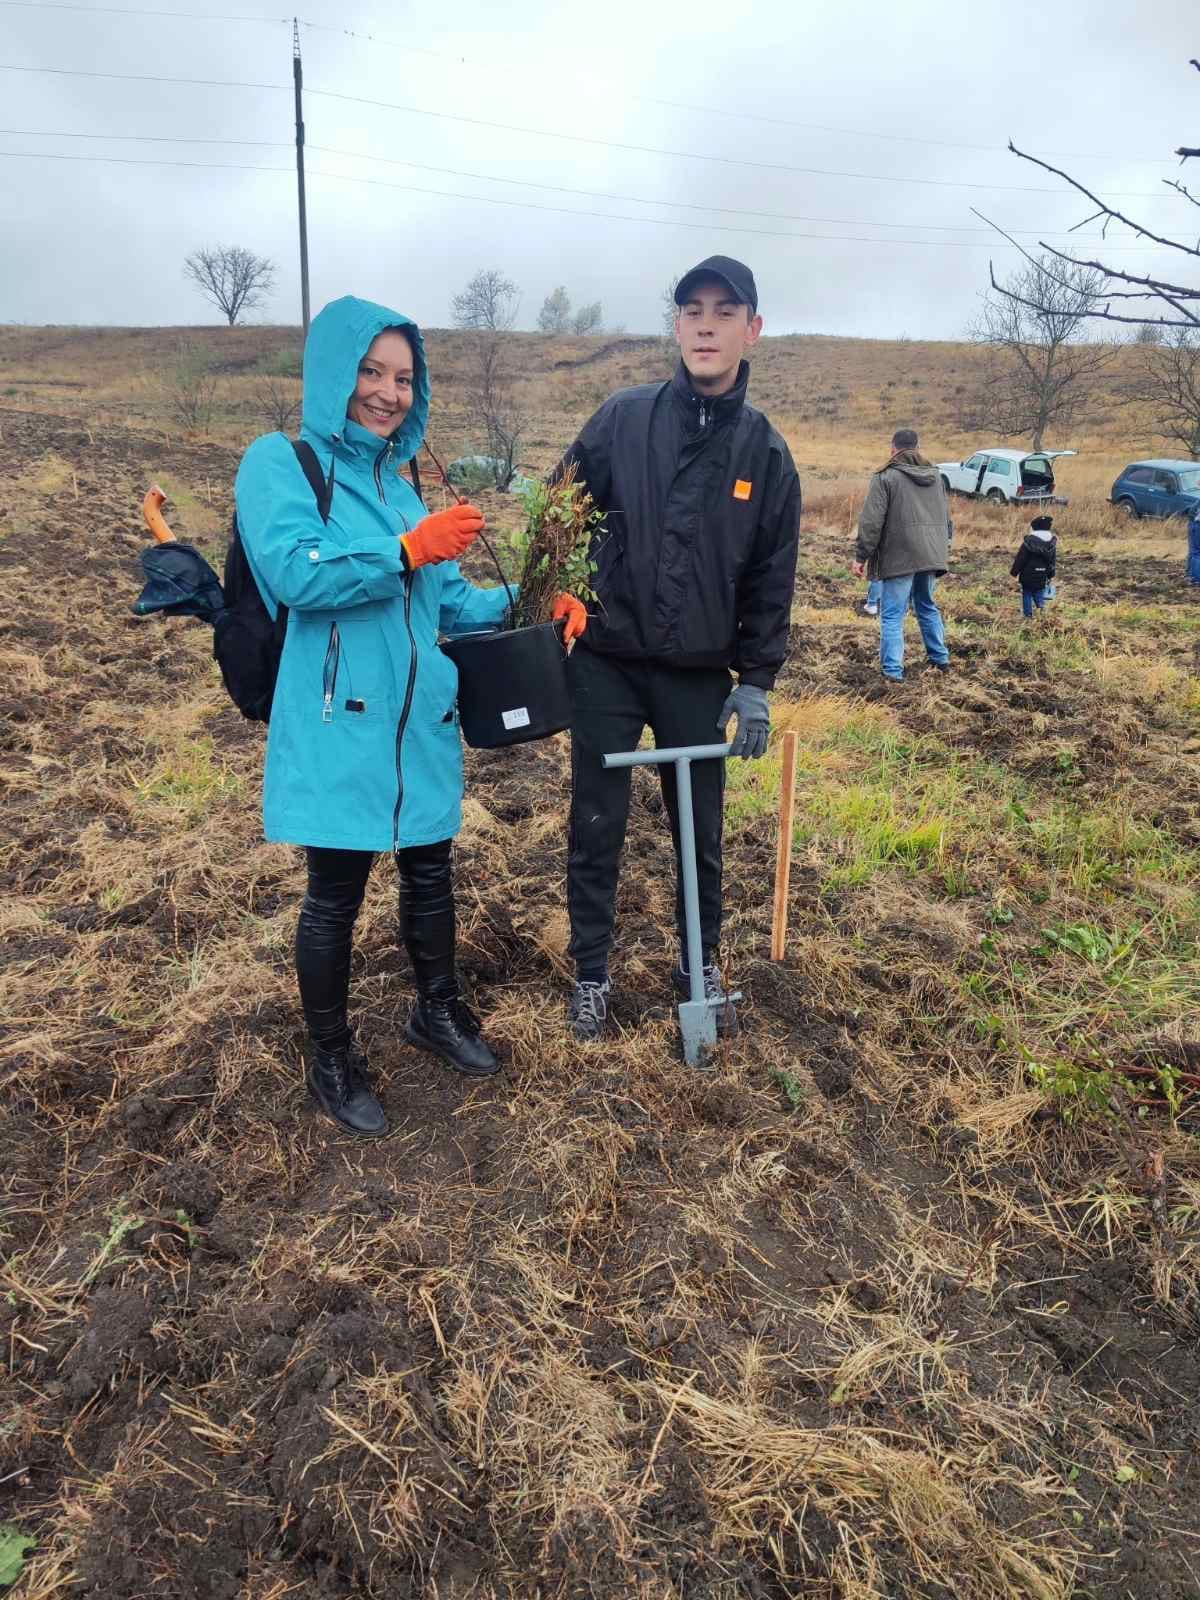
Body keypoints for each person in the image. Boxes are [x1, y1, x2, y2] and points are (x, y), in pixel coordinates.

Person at [234, 295, 584, 1137]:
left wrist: (533, 601)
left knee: (431, 872)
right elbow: (297, 574)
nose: (388, 393)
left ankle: (437, 1011)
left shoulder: (400, 487)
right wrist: (405, 549)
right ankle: (330, 1056)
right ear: (333, 372)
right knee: (335, 895)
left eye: (402, 378)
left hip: (421, 718)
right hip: (341, 721)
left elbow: (449, 602)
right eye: (371, 372)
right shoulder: (282, 464)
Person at [552, 255, 802, 1041]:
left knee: (700, 831)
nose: (705, 325)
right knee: (596, 821)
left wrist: (755, 680)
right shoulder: (621, 421)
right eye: (692, 310)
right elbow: (559, 511)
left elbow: (771, 577)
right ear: (675, 325)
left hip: (697, 675)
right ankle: (591, 974)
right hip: (606, 661)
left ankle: (700, 967)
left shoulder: (765, 455)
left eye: (724, 312)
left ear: (752, 330)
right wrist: (560, 593)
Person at [853, 428, 951, 683]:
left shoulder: (885, 476)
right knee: (926, 605)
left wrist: (861, 556)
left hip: (900, 555)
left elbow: (871, 521)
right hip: (930, 553)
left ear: (893, 448)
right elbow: (945, 518)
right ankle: (940, 659)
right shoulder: (936, 476)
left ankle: (892, 672)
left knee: (892, 615)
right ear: (917, 447)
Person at [1010, 514, 1057, 618]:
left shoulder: (1028, 542)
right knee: (1039, 591)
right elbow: (1052, 561)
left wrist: (1014, 573)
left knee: (1027, 593)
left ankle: (1028, 616)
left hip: (1027, 573)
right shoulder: (1051, 543)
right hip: (1042, 573)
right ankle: (1042, 613)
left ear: (1034, 528)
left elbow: (1020, 559)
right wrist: (1051, 575)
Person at [1188, 505, 1200, 587]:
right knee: (1195, 552)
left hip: (1196, 524)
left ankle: (1195, 578)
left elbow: (1192, 509)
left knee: (1195, 552)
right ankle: (1193, 576)